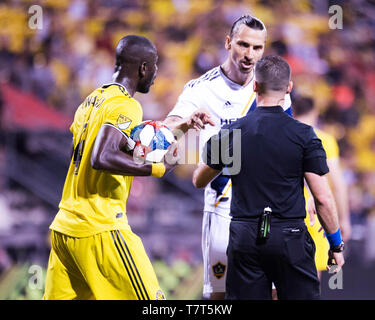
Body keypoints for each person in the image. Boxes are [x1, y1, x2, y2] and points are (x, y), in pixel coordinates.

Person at [193, 55, 345, 300]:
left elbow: (199, 180)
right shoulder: (305, 135)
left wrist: (221, 153)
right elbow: (323, 198)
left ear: (254, 85)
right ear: (289, 89)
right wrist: (336, 244)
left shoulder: (232, 133)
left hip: (245, 236)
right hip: (290, 235)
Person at [164, 15, 292, 300]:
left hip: (267, 208)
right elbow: (167, 130)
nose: (249, 55)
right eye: (243, 45)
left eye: (257, 48)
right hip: (225, 207)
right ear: (228, 42)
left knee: (275, 293)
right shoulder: (201, 89)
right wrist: (186, 123)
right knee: (218, 295)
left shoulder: (272, 87)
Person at [43, 35, 177, 300]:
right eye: (155, 65)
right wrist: (158, 168)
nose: (156, 72)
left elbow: (86, 155)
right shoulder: (126, 104)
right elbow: (101, 157)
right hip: (100, 228)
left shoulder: (91, 101)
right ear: (143, 68)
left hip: (65, 228)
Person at [293, 96, 351, 276]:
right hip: (316, 215)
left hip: (285, 213)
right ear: (314, 113)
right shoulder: (324, 139)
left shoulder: (283, 135)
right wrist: (343, 219)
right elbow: (338, 185)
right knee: (311, 278)